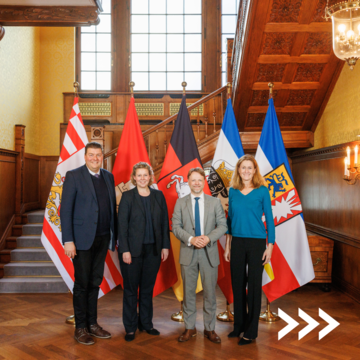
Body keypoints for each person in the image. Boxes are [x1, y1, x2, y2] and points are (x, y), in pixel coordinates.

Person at [60, 142, 117, 345]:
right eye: (91, 155)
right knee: (82, 284)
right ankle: (81, 327)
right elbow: (65, 211)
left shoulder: (108, 177)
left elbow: (111, 209)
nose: (95, 158)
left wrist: (114, 236)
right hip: (81, 241)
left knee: (95, 282)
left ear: (103, 157)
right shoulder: (74, 176)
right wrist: (68, 240)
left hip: (103, 238)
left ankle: (93, 324)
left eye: (98, 155)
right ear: (85, 157)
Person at [224, 154, 275, 345]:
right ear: (238, 170)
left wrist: (269, 247)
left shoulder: (262, 191)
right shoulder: (233, 191)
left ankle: (251, 331)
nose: (246, 171)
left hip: (256, 243)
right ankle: (239, 326)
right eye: (243, 167)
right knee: (237, 285)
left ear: (255, 171)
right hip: (236, 242)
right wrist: (228, 246)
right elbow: (229, 221)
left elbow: (269, 220)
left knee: (253, 286)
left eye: (249, 168)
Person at [172, 167, 227, 344]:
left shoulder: (214, 202)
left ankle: (209, 329)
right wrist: (191, 239)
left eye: (199, 180)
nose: (196, 183)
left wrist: (207, 238)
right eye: (193, 180)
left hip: (208, 252)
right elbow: (176, 226)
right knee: (188, 293)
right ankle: (190, 328)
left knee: (210, 294)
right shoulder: (181, 203)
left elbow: (223, 226)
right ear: (188, 182)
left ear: (204, 182)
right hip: (188, 252)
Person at [118, 162, 170, 342]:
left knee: (147, 289)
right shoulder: (127, 197)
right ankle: (131, 327)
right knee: (131, 290)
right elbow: (122, 226)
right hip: (131, 251)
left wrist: (165, 246)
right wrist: (124, 249)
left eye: (145, 175)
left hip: (154, 250)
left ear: (150, 177)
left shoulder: (158, 196)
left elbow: (164, 223)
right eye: (138, 175)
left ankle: (146, 323)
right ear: (134, 178)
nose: (142, 178)